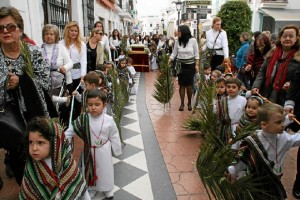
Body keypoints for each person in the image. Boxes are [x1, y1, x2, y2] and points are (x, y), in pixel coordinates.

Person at [0, 6, 57, 185]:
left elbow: (46, 82)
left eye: (10, 27)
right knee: (19, 157)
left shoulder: (32, 52)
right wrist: (5, 84)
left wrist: (22, 81)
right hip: (8, 120)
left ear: (20, 29)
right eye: (0, 28)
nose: (5, 31)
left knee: (41, 155)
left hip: (35, 115)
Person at [228, 103, 300, 199]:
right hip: (256, 183)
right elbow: (243, 160)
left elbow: (296, 139)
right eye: (279, 122)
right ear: (264, 124)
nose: (283, 125)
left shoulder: (284, 137)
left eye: (283, 121)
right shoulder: (252, 141)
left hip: (274, 181)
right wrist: (233, 172)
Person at [65, 88, 122, 199]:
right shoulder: (83, 119)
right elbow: (71, 130)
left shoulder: (109, 120)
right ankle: (92, 188)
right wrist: (63, 139)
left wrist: (117, 149)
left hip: (104, 149)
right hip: (88, 150)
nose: (93, 107)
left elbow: (114, 135)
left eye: (97, 104)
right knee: (89, 170)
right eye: (90, 105)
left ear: (104, 105)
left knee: (105, 170)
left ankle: (107, 188)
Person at [19, 117, 90, 199]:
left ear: (55, 143)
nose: (34, 148)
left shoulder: (67, 164)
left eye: (40, 143)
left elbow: (78, 186)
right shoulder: (31, 168)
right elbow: (28, 192)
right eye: (31, 142)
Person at [251, 25, 300, 106]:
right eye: (284, 36)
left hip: (285, 97)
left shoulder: (298, 58)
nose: (287, 38)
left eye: (291, 36)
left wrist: (291, 84)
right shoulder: (272, 53)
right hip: (266, 93)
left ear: (296, 38)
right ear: (280, 38)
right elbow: (262, 72)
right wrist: (256, 86)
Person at [169, 25, 199, 111]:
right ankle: (182, 103)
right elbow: (174, 54)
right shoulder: (177, 41)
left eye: (179, 31)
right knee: (181, 85)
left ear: (184, 32)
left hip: (190, 65)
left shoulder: (193, 41)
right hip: (180, 66)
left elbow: (196, 54)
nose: (177, 32)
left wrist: (197, 65)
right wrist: (168, 61)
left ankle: (189, 102)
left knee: (189, 86)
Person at [41, 24, 73, 97]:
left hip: (62, 84)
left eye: (51, 34)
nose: (49, 36)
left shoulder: (61, 48)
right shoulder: (40, 49)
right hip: (46, 85)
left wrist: (65, 68)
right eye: (46, 34)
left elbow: (70, 63)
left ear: (56, 36)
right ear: (43, 36)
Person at [215, 77, 247, 146]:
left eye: (234, 87)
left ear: (239, 89)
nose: (231, 89)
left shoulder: (243, 100)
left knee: (235, 147)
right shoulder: (223, 100)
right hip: (225, 128)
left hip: (237, 128)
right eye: (228, 87)